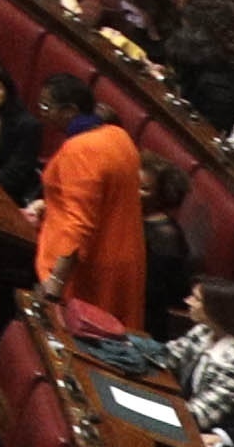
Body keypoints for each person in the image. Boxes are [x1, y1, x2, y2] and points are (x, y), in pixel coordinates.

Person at [30, 75, 148, 325]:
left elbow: (79, 225)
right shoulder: (118, 135)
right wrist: (51, 204)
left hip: (88, 271)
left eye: (46, 107)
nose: (42, 113)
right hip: (122, 259)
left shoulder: (80, 150)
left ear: (69, 111)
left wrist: (56, 283)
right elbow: (102, 196)